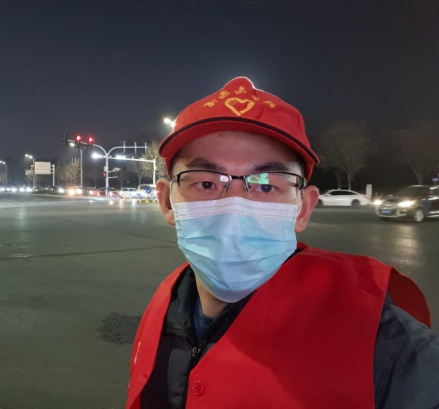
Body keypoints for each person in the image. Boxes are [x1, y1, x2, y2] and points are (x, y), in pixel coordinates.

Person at [126, 77, 439, 409]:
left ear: (302, 209)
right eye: (205, 183)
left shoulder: (378, 340)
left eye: (266, 185)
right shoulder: (166, 302)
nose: (234, 207)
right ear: (167, 201)